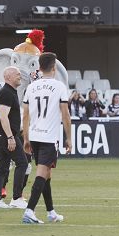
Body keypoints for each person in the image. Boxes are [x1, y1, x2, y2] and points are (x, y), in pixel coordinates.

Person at [21, 52, 72, 225]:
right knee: (42, 173)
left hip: (34, 135)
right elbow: (65, 114)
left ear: (40, 67)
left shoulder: (31, 87)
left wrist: (26, 138)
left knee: (47, 174)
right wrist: (69, 138)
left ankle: (51, 212)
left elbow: (25, 115)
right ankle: (29, 211)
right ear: (54, 67)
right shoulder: (59, 87)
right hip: (49, 137)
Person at [0, 66, 29, 210]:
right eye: (17, 74)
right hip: (7, 136)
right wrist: (11, 137)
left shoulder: (9, 91)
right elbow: (3, 117)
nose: (20, 76)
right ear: (8, 77)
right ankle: (17, 198)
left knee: (2, 167)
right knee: (22, 163)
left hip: (4, 135)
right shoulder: (6, 92)